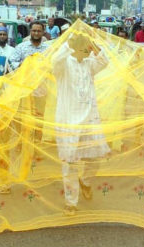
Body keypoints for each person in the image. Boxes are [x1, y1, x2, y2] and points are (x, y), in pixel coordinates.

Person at [52, 33, 110, 216]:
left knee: (97, 157)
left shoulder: (89, 64)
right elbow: (56, 59)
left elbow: (104, 61)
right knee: (69, 163)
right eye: (86, 47)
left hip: (90, 120)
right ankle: (71, 201)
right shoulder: (63, 65)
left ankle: (85, 180)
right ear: (76, 48)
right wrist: (71, 41)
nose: (89, 50)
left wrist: (93, 45)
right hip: (68, 121)